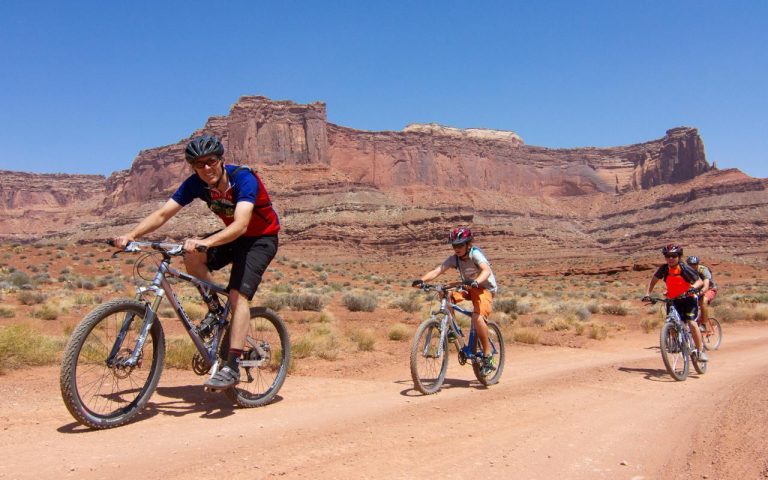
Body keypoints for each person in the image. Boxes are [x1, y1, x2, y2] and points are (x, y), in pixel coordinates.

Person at [113, 134, 280, 389]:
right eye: (198, 164)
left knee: (237, 296)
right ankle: (215, 310)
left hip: (260, 239)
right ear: (192, 167)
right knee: (191, 255)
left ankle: (232, 366)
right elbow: (162, 213)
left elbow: (241, 224)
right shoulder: (196, 184)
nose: (206, 168)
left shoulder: (243, 178)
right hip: (232, 237)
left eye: (210, 161)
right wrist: (131, 235)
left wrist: (208, 242)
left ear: (221, 160)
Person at [412, 227, 498, 376]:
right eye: (454, 245)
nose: (456, 248)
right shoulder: (455, 259)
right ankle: (452, 330)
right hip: (469, 287)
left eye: (460, 245)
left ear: (468, 244)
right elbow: (438, 270)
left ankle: (487, 356)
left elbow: (486, 270)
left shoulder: (475, 254)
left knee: (478, 318)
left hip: (484, 288)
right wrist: (422, 280)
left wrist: (476, 281)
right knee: (445, 293)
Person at [642, 244, 707, 362]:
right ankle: (677, 344)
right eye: (667, 256)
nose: (670, 258)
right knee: (671, 321)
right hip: (673, 300)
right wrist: (648, 294)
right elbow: (653, 280)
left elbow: (699, 281)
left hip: (688, 299)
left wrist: (693, 287)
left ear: (679, 256)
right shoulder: (664, 268)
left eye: (673, 256)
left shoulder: (684, 268)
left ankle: (700, 351)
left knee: (691, 323)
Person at [686, 255, 717, 331]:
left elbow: (706, 286)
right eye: (690, 265)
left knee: (703, 301)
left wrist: (699, 293)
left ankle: (704, 325)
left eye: (695, 264)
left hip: (710, 289)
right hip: (695, 290)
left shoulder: (703, 270)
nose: (692, 266)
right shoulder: (685, 271)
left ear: (698, 264)